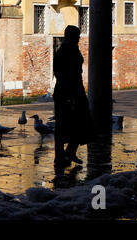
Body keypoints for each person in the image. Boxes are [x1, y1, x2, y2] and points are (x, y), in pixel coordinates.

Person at [53, 25, 94, 169]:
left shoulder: (68, 50)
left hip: (73, 92)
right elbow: (65, 75)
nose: (79, 39)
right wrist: (70, 97)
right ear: (71, 36)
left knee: (80, 123)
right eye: (77, 36)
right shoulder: (66, 52)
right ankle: (61, 156)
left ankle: (69, 152)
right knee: (66, 125)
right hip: (69, 93)